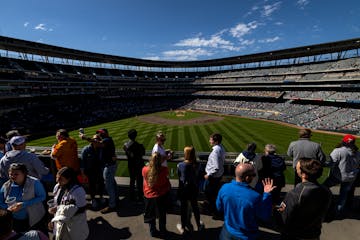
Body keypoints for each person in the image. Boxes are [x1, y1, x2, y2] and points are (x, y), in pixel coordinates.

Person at [216, 163, 275, 240]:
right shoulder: (255, 196)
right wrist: (266, 195)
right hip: (247, 236)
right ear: (247, 178)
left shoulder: (224, 188)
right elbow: (264, 216)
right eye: (253, 175)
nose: (254, 177)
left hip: (227, 232)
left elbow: (219, 207)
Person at [278, 158, 332, 240]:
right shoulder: (326, 191)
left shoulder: (295, 194)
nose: (296, 168)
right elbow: (330, 216)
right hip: (314, 234)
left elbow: (284, 219)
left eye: (298, 168)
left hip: (294, 235)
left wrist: (274, 209)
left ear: (304, 175)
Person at [0, 163, 47, 234]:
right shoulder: (6, 185)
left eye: (16, 174)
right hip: (14, 221)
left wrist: (24, 204)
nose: (12, 176)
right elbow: (1, 201)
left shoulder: (34, 182)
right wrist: (7, 208)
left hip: (34, 219)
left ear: (24, 173)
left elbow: (42, 196)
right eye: (10, 174)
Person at [323, 134, 360, 216]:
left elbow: (330, 164)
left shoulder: (338, 151)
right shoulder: (358, 152)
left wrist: (321, 163)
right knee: (343, 196)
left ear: (343, 141)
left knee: (322, 188)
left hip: (337, 176)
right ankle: (337, 212)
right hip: (351, 178)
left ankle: (328, 203)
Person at [48, 167, 89, 240]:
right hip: (59, 219)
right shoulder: (57, 187)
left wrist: (61, 210)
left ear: (69, 179)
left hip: (73, 223)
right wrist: (54, 214)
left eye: (61, 179)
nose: (57, 181)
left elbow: (82, 209)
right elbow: (57, 202)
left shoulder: (78, 191)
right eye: (57, 177)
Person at [176, 146, 204, 235]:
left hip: (184, 190)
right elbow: (200, 176)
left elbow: (180, 178)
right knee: (195, 207)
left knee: (184, 209)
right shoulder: (198, 165)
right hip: (194, 189)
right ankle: (199, 225)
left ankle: (183, 228)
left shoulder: (180, 165)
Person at [142, 152, 171, 237]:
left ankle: (153, 231)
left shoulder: (144, 169)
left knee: (151, 215)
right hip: (161, 195)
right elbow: (166, 182)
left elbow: (145, 180)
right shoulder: (164, 169)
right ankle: (163, 230)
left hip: (148, 195)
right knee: (162, 215)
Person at [80, 134, 105, 209]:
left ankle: (101, 196)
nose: (96, 140)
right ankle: (93, 199)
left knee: (101, 184)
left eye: (98, 138)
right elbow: (82, 163)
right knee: (92, 186)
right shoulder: (86, 149)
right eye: (95, 138)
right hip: (90, 171)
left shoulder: (101, 148)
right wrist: (83, 174)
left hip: (99, 170)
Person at [204, 133, 225, 217]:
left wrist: (208, 175)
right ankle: (214, 209)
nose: (209, 141)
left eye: (211, 139)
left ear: (215, 141)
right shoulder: (221, 147)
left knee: (210, 194)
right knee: (213, 194)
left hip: (213, 177)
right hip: (218, 176)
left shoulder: (216, 151)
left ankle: (213, 211)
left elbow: (216, 167)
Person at [123, 129, 145, 202]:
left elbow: (128, 151)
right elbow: (142, 153)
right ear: (135, 136)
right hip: (139, 165)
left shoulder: (126, 146)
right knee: (139, 182)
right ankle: (140, 197)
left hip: (131, 165)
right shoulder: (139, 145)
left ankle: (132, 197)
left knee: (132, 181)